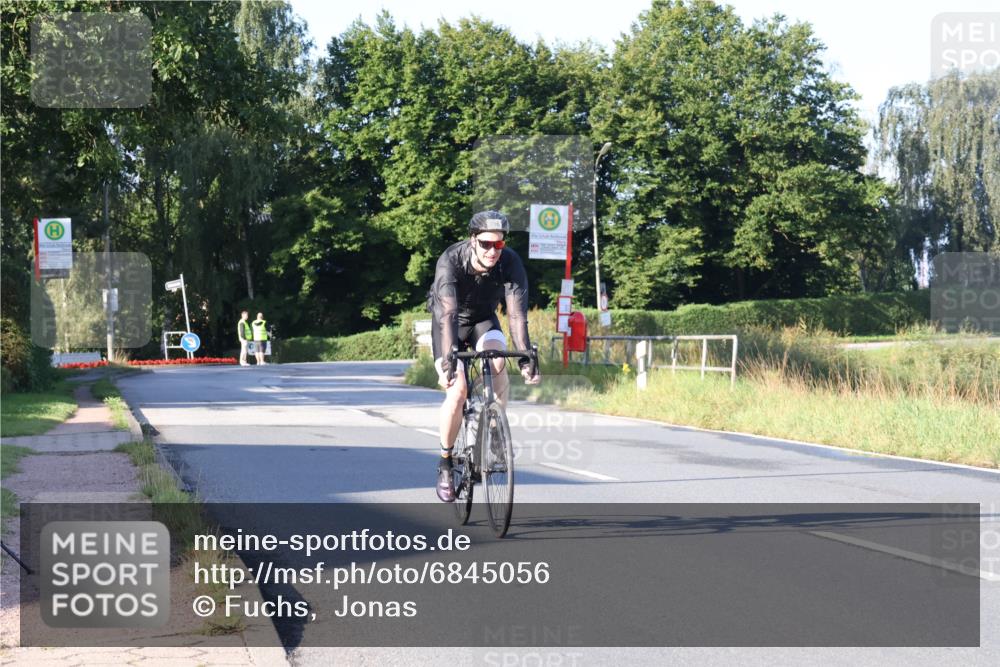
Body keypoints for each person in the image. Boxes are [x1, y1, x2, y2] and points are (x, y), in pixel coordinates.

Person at [428, 210, 541, 502]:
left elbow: (516, 314)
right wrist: (448, 363)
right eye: (486, 244)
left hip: (483, 321)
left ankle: (492, 431)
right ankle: (445, 461)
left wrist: (526, 357)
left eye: (499, 245)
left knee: (498, 360)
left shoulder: (510, 262)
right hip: (449, 323)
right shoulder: (451, 261)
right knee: (458, 390)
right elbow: (449, 314)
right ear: (473, 240)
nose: (493, 251)